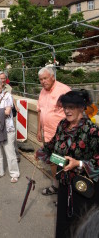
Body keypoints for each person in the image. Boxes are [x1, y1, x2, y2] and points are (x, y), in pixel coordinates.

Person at [36, 90, 99, 238]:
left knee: (80, 224)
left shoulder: (92, 130)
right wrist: (42, 152)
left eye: (71, 107)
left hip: (83, 188)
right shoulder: (62, 125)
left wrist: (79, 163)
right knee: (64, 223)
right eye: (65, 107)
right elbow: (52, 145)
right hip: (65, 184)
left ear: (81, 108)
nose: (67, 110)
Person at [37, 66, 70, 195]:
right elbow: (40, 111)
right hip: (48, 134)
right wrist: (39, 130)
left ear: (52, 77)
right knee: (52, 159)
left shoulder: (64, 90)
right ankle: (56, 186)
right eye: (40, 79)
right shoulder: (42, 92)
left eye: (45, 78)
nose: (43, 81)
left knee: (63, 161)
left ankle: (65, 191)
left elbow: (72, 113)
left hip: (62, 135)